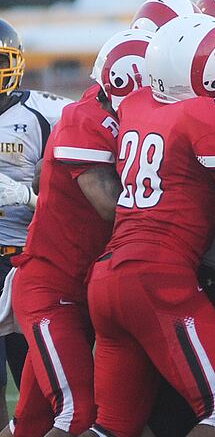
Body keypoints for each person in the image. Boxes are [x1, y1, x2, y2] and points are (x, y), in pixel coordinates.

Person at [80, 14, 215, 437]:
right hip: (158, 277)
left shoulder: (136, 103)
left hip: (107, 274)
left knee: (112, 426)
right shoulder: (209, 118)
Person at [1, 29, 151, 437]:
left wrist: (26, 194)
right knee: (74, 413)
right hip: (51, 284)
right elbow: (107, 204)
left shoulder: (50, 111)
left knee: (30, 422)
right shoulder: (86, 120)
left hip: (60, 274)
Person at [0, 17, 73, 427]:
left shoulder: (47, 114)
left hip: (29, 261)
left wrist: (27, 197)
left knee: (41, 385)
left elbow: (76, 199)